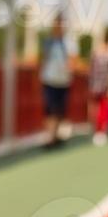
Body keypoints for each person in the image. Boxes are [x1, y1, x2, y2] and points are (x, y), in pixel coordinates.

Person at [39, 12, 73, 149]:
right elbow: (44, 59)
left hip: (63, 80)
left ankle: (56, 135)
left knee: (59, 109)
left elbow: (72, 60)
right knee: (50, 109)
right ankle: (50, 137)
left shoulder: (69, 42)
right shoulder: (48, 41)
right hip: (49, 79)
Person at [89, 26, 108, 146]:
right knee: (104, 108)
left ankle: (97, 129)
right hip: (105, 84)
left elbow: (91, 68)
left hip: (95, 84)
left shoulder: (96, 53)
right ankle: (101, 130)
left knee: (97, 108)